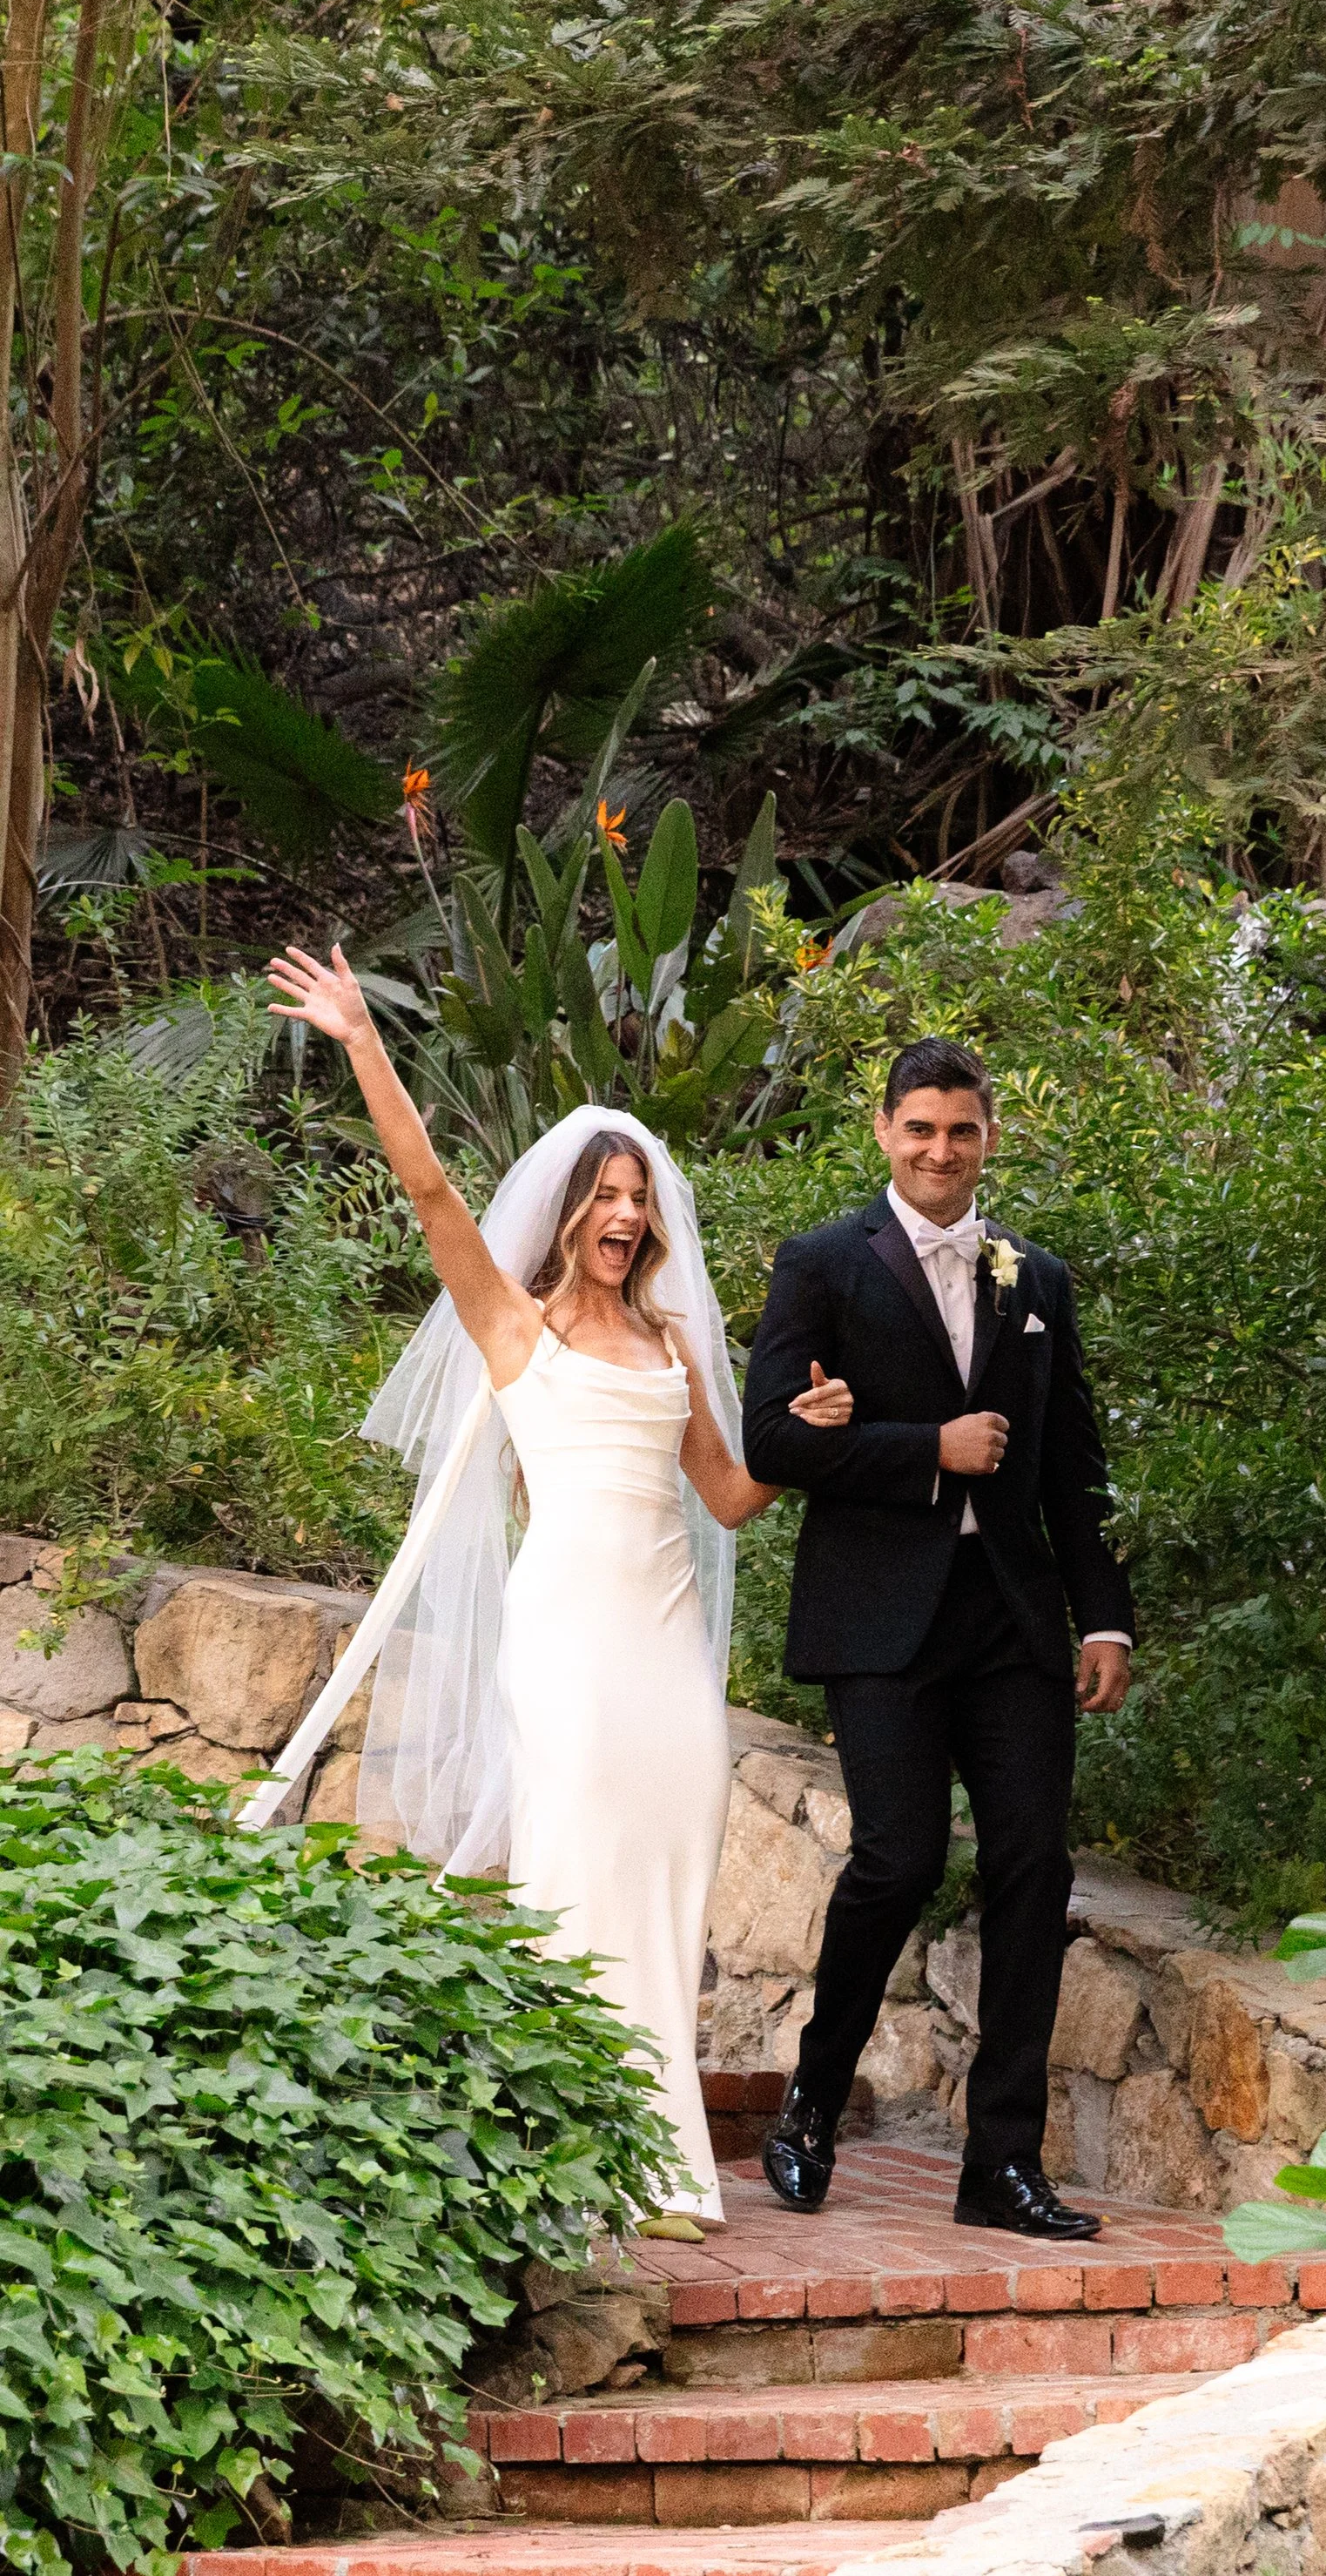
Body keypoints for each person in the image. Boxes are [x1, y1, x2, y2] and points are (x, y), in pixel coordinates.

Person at [266, 941, 851, 2222]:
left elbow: (730, 1494)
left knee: (667, 1860)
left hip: (665, 1646)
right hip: (568, 1639)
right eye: (605, 1196)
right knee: (574, 1863)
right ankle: (573, 2154)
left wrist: (813, 1430)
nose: (627, 1217)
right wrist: (365, 1038)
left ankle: (661, 2154)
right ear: (568, 1210)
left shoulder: (675, 1340)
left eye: (640, 1198)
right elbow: (426, 1192)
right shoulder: (513, 1324)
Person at [740, 1036, 1134, 2241]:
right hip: (881, 1619)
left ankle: (1001, 2165)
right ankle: (813, 2096)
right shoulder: (821, 1265)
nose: (940, 1150)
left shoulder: (1036, 1280)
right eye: (920, 1129)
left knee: (1033, 1869)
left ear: (989, 1139)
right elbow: (771, 1447)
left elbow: (1074, 1466)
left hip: (1012, 1618)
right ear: (884, 1133)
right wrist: (929, 1450)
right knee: (899, 1860)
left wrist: (1105, 1612)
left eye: (961, 1130)